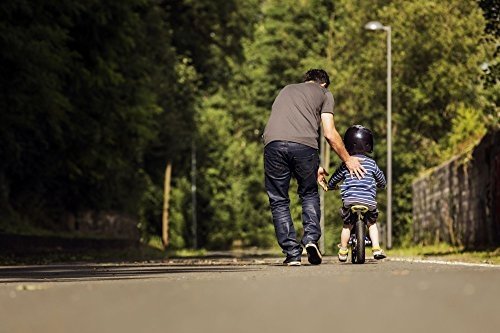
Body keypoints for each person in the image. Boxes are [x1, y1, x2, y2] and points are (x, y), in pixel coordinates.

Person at [262, 69, 366, 266]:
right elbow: (329, 132)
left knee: (279, 200)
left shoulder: (286, 90)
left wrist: (315, 165)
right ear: (324, 84)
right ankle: (310, 239)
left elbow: (290, 125)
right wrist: (348, 159)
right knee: (309, 193)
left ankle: (292, 254)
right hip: (304, 147)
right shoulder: (325, 94)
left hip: (273, 144)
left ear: (306, 81)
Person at [323, 125, 387, 261]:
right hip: (368, 202)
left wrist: (331, 185)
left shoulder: (347, 163)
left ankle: (343, 250)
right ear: (368, 144)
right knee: (372, 224)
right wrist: (382, 185)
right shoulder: (372, 163)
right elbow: (381, 179)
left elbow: (335, 177)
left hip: (350, 201)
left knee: (347, 225)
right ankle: (376, 248)